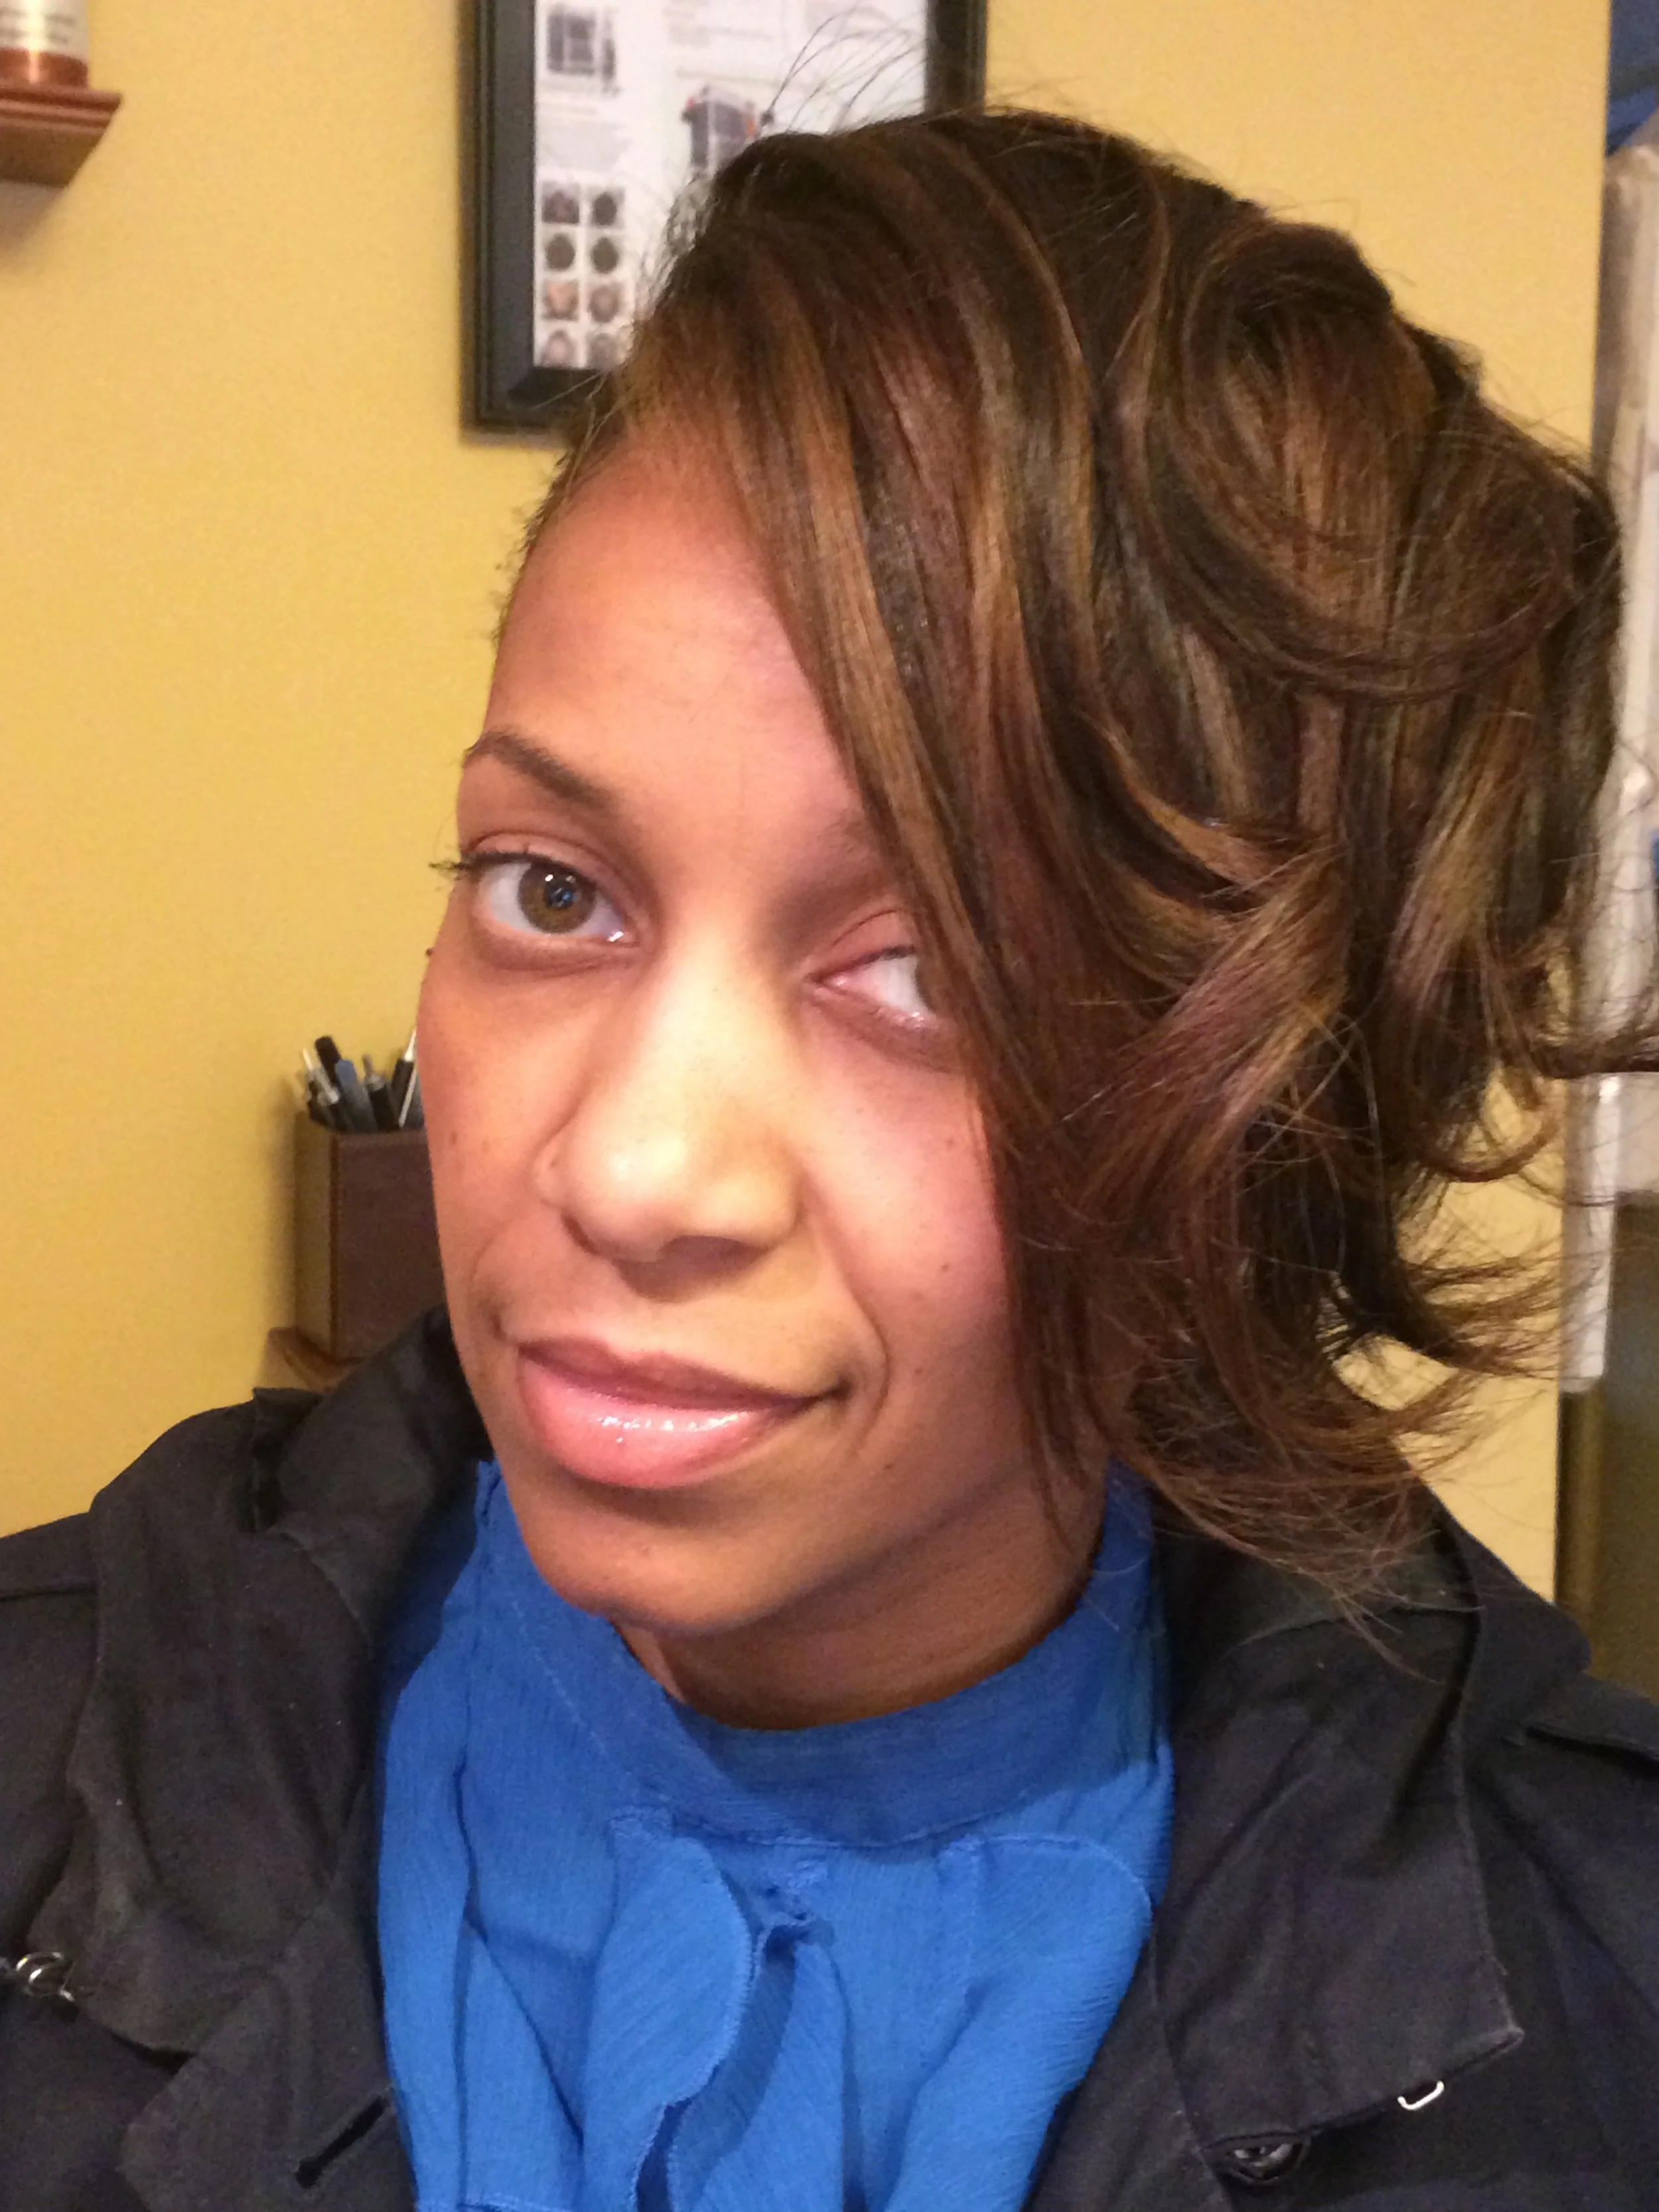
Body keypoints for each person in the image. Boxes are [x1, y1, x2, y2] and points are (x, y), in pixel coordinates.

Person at [3, 108, 1658, 2212]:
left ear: (1280, 1108)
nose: (629, 1166)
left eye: (932, 972)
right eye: (551, 889)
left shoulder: (1594, 2015)